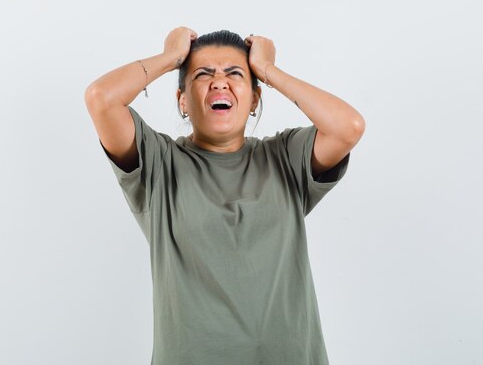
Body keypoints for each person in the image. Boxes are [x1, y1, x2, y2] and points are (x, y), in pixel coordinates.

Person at [84, 27, 365, 365]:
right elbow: (101, 98)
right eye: (203, 74)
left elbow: (348, 126)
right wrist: (171, 58)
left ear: (254, 99)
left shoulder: (285, 157)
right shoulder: (158, 163)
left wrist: (269, 71)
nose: (220, 82)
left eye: (235, 74)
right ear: (182, 101)